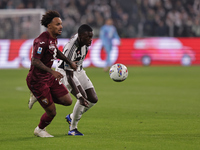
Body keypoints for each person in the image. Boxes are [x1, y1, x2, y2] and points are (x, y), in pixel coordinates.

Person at [26, 10, 77, 138]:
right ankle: (39, 129)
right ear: (49, 26)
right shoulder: (41, 41)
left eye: (61, 24)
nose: (61, 26)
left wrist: (69, 61)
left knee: (67, 101)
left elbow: (56, 52)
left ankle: (38, 97)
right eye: (57, 24)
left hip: (48, 77)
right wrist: (52, 71)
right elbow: (35, 61)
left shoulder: (53, 39)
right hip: (37, 81)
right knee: (51, 112)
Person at [55, 24, 98, 136]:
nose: (90, 40)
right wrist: (79, 95)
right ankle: (73, 129)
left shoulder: (85, 43)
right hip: (65, 72)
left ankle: (72, 117)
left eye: (91, 37)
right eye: (87, 37)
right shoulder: (71, 49)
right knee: (82, 97)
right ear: (80, 36)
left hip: (78, 70)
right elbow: (69, 76)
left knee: (93, 99)